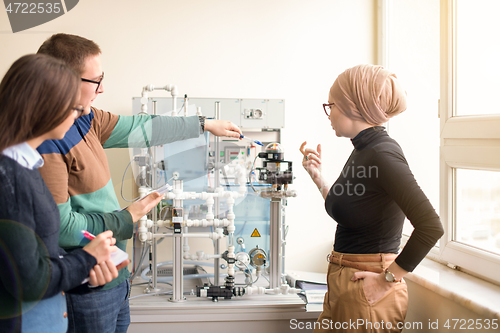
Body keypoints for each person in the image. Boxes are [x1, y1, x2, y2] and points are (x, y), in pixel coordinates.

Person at [35, 33, 243, 333]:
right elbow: (63, 226)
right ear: (62, 80)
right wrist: (126, 219)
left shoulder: (86, 119)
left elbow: (141, 127)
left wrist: (203, 125)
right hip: (89, 288)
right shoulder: (49, 142)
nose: (102, 88)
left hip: (117, 280)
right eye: (95, 80)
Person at [300, 64, 444, 333]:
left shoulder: (381, 153)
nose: (328, 114)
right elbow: (348, 208)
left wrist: (387, 279)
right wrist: (318, 177)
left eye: (331, 105)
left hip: (366, 289)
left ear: (353, 106)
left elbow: (431, 226)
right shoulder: (363, 149)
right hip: (344, 283)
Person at [0, 54, 130, 333]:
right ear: (45, 108)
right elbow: (28, 282)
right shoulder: (9, 177)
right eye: (74, 107)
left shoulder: (26, 166)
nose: (82, 113)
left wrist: (85, 275)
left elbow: (38, 259)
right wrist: (86, 258)